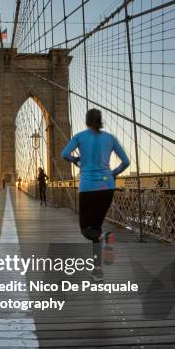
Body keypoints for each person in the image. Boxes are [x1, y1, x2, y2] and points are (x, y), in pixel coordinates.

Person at [61, 108, 130, 279]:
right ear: (100, 120)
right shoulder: (110, 138)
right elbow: (126, 162)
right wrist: (113, 173)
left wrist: (76, 160)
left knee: (86, 230)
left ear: (86, 120)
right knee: (96, 228)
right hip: (107, 187)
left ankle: (105, 236)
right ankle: (97, 269)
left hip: (88, 188)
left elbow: (64, 154)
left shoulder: (79, 137)